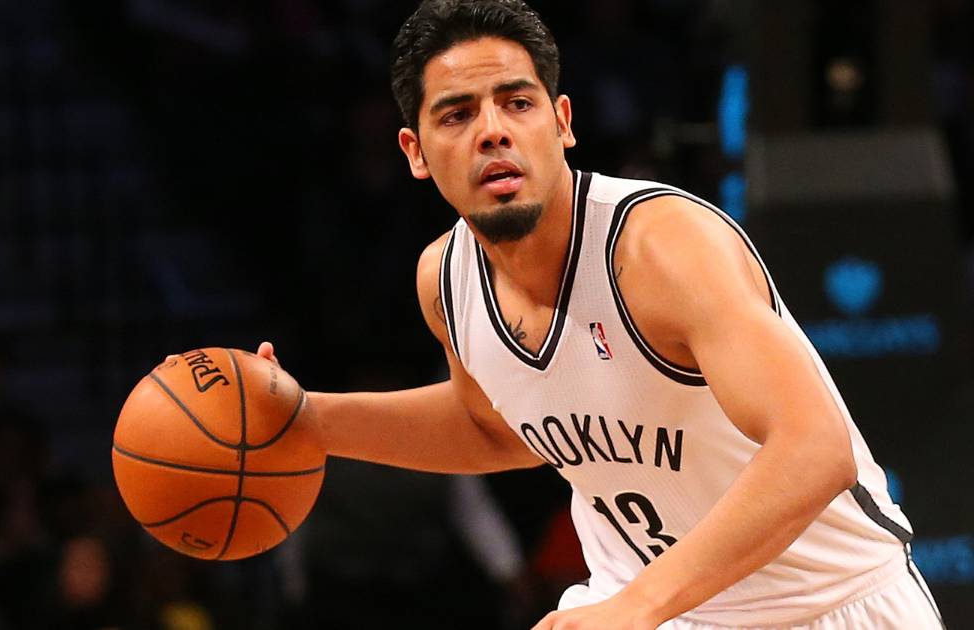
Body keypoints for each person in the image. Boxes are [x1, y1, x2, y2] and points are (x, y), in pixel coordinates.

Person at [251, 0, 943, 628]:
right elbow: (495, 428)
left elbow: (814, 448)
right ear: (416, 152)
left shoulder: (661, 247)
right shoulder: (446, 279)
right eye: (457, 115)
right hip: (652, 604)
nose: (492, 132)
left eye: (517, 103)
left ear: (562, 123)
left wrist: (638, 606)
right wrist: (306, 420)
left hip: (825, 604)